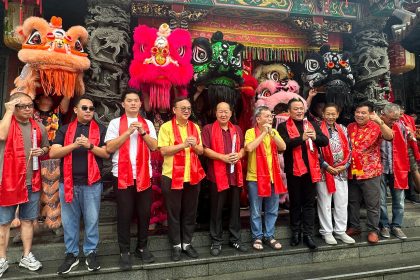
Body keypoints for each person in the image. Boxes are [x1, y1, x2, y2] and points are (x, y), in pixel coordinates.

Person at [50, 96, 109, 274]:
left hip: (92, 184)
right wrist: (74, 145)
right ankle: (72, 254)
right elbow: (54, 152)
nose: (89, 111)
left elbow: (106, 153)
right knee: (69, 222)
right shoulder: (65, 129)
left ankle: (91, 252)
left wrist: (90, 145)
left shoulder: (101, 129)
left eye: (91, 109)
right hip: (67, 183)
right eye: (84, 108)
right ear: (75, 110)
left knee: (92, 220)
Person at [105, 90, 158, 270]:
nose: (133, 103)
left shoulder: (148, 123)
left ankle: (142, 248)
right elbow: (110, 147)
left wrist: (143, 132)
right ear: (123, 104)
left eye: (136, 100)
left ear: (140, 104)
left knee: (144, 213)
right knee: (125, 214)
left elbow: (154, 146)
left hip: (144, 175)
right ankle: (124, 251)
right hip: (121, 175)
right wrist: (127, 132)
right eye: (129, 101)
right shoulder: (115, 123)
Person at [0, 92, 49, 277]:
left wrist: (41, 150)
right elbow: (2, 135)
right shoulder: (7, 123)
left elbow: (47, 147)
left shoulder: (38, 127)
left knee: (28, 221)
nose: (29, 109)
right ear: (14, 107)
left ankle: (26, 256)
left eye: (30, 106)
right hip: (8, 182)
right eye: (23, 106)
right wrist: (8, 111)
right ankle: (2, 260)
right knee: (3, 223)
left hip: (31, 182)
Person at [158, 97, 205, 261]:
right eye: (183, 108)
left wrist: (195, 146)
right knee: (174, 213)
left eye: (189, 108)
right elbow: (163, 151)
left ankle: (187, 243)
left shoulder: (195, 127)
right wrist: (183, 145)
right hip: (171, 176)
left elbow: (200, 151)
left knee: (190, 212)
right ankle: (176, 245)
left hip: (192, 175)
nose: (186, 111)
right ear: (174, 110)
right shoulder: (166, 127)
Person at [278, 98, 329, 250]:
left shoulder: (312, 124)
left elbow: (324, 141)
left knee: (308, 204)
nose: (299, 111)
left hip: (311, 170)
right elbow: (284, 145)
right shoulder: (282, 126)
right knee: (295, 203)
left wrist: (314, 137)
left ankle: (308, 234)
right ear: (289, 111)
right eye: (296, 109)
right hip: (293, 171)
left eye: (301, 108)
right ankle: (295, 233)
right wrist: (301, 138)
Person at [202, 102, 247, 256]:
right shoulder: (208, 129)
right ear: (215, 113)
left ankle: (235, 238)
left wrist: (239, 155)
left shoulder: (237, 129)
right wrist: (223, 157)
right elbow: (205, 150)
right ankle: (216, 240)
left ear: (230, 112)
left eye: (226, 111)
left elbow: (243, 148)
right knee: (216, 208)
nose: (223, 114)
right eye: (220, 111)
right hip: (217, 175)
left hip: (235, 174)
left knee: (235, 208)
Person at [346, 101, 394, 244]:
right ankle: (354, 226)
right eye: (358, 112)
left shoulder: (377, 126)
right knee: (353, 201)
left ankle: (373, 230)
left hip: (371, 171)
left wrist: (380, 122)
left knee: (372, 203)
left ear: (371, 114)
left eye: (363, 113)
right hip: (353, 170)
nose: (359, 115)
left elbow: (390, 136)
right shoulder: (350, 126)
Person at [244, 106, 286, 251]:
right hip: (255, 177)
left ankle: (269, 236)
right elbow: (249, 148)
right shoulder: (250, 132)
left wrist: (272, 134)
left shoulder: (274, 132)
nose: (270, 119)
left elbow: (283, 147)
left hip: (273, 176)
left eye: (271, 116)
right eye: (267, 116)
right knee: (256, 210)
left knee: (272, 209)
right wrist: (262, 134)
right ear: (258, 119)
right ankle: (257, 236)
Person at [316, 103, 355, 245]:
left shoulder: (343, 129)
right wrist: (326, 166)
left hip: (341, 171)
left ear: (338, 114)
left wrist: (345, 165)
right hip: (324, 172)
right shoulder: (317, 129)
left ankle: (340, 231)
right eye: (328, 114)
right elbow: (314, 151)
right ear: (323, 114)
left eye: (333, 114)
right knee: (325, 203)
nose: (331, 116)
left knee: (341, 202)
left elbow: (350, 149)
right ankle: (326, 232)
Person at [379, 103, 409, 240]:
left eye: (396, 119)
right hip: (380, 167)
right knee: (380, 199)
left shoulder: (401, 125)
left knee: (399, 199)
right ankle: (384, 225)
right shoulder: (375, 125)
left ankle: (396, 225)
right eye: (391, 119)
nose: (394, 122)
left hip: (397, 167)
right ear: (383, 115)